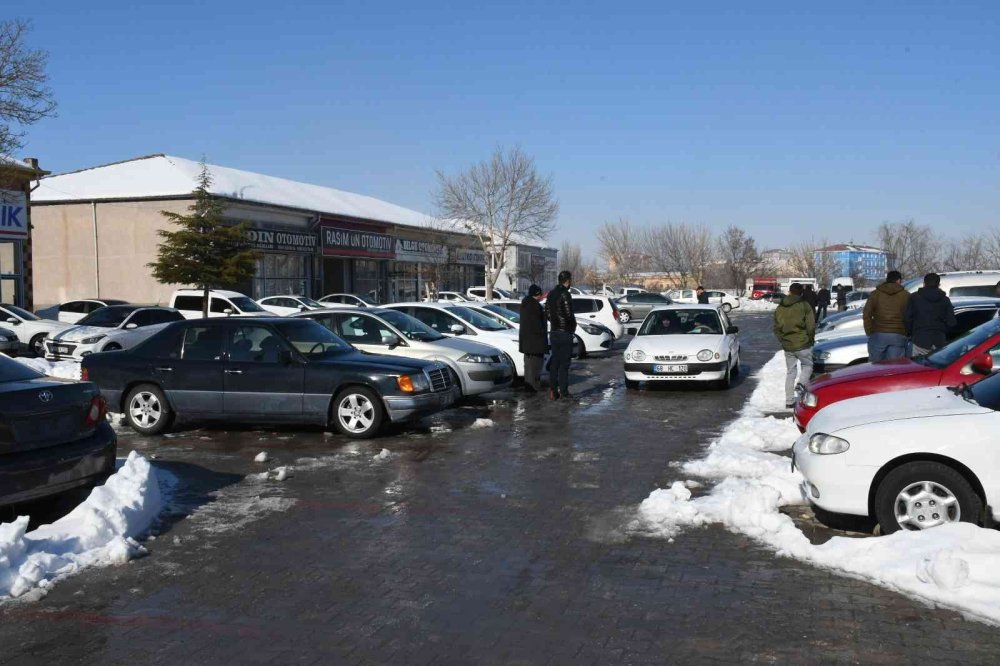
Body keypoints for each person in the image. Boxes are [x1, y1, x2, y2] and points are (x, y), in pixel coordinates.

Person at [774, 283, 816, 408]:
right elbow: (811, 325)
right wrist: (810, 339)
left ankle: (789, 401)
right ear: (801, 292)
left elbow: (776, 327)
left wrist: (782, 340)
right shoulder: (804, 305)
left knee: (790, 372)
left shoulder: (780, 307)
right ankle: (801, 384)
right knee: (808, 366)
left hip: (787, 345)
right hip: (803, 342)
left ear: (790, 291)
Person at [904, 273, 956, 357]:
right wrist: (942, 330)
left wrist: (912, 333)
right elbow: (952, 322)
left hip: (920, 339)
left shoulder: (914, 298)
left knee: (919, 367)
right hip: (939, 340)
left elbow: (907, 318)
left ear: (924, 283)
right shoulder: (945, 300)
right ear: (939, 285)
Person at [863, 270, 911, 362]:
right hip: (898, 334)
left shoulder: (876, 294)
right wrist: (907, 332)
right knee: (895, 367)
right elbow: (909, 316)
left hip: (878, 333)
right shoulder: (905, 295)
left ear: (887, 279)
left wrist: (869, 331)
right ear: (899, 281)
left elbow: (867, 314)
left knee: (874, 366)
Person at [545, 270, 577, 401]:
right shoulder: (565, 294)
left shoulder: (551, 294)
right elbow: (569, 314)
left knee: (555, 363)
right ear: (568, 281)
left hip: (554, 332)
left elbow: (547, 311)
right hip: (565, 333)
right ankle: (563, 392)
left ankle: (553, 391)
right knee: (564, 364)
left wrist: (554, 322)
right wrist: (572, 325)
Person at [518, 284, 547, 392]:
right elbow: (537, 325)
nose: (542, 296)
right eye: (540, 294)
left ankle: (529, 385)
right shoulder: (535, 306)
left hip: (527, 342)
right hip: (535, 342)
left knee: (528, 365)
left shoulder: (525, 304)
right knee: (535, 366)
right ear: (537, 294)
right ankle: (534, 386)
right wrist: (542, 333)